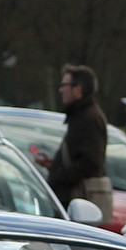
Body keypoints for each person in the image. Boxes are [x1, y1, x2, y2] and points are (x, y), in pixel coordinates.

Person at [40, 64, 113, 222]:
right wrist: (53, 165)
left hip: (77, 204)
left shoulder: (89, 118)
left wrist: (59, 176)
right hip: (73, 201)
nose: (61, 90)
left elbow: (91, 162)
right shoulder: (82, 116)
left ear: (77, 89)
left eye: (64, 85)